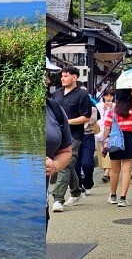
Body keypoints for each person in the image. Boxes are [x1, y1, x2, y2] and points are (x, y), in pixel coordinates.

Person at [51, 66, 94, 207]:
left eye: (66, 76)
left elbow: (86, 117)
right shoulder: (56, 94)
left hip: (74, 135)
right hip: (57, 134)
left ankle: (58, 199)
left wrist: (67, 121)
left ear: (75, 77)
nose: (62, 78)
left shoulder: (82, 95)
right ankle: (76, 192)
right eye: (62, 76)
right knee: (68, 164)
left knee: (64, 165)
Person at [102, 88, 132, 207]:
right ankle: (123, 198)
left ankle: (113, 195)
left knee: (114, 171)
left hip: (115, 140)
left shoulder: (112, 111)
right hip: (129, 140)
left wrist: (104, 142)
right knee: (127, 171)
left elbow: (107, 128)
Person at [47, 93, 74, 222]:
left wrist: (55, 165)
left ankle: (59, 198)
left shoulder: (54, 108)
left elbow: (66, 151)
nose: (47, 80)